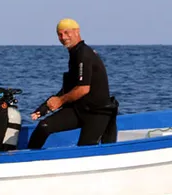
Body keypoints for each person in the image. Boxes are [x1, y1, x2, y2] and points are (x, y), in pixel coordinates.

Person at [27, 18, 118, 149]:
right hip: (79, 109)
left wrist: (60, 101)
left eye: (66, 32)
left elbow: (83, 89)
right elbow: (69, 89)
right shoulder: (74, 54)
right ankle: (30, 158)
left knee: (85, 149)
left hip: (97, 113)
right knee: (44, 126)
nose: (63, 37)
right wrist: (44, 108)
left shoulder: (84, 54)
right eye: (59, 34)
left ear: (77, 32)